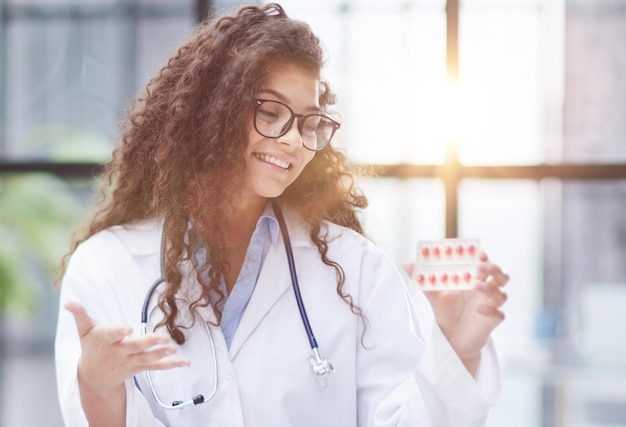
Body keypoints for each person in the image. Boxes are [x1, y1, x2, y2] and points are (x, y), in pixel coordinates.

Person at [54, 3, 509, 427]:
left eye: (310, 123)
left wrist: (455, 348)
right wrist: (96, 385)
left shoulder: (356, 269)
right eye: (270, 113)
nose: (293, 141)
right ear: (211, 114)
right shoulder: (107, 265)